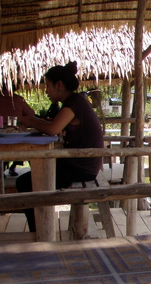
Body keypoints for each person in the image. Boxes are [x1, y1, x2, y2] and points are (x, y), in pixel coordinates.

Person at [16, 61, 104, 232]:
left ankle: (38, 231)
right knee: (36, 173)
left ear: (59, 85)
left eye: (48, 86)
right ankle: (40, 225)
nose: (46, 91)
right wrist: (36, 121)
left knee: (25, 182)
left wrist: (31, 121)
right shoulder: (74, 102)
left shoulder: (74, 103)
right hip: (81, 163)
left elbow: (52, 129)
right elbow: (55, 124)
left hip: (82, 167)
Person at [0, 84, 36, 177]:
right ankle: (13, 166)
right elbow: (31, 114)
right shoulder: (19, 99)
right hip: (15, 132)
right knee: (23, 143)